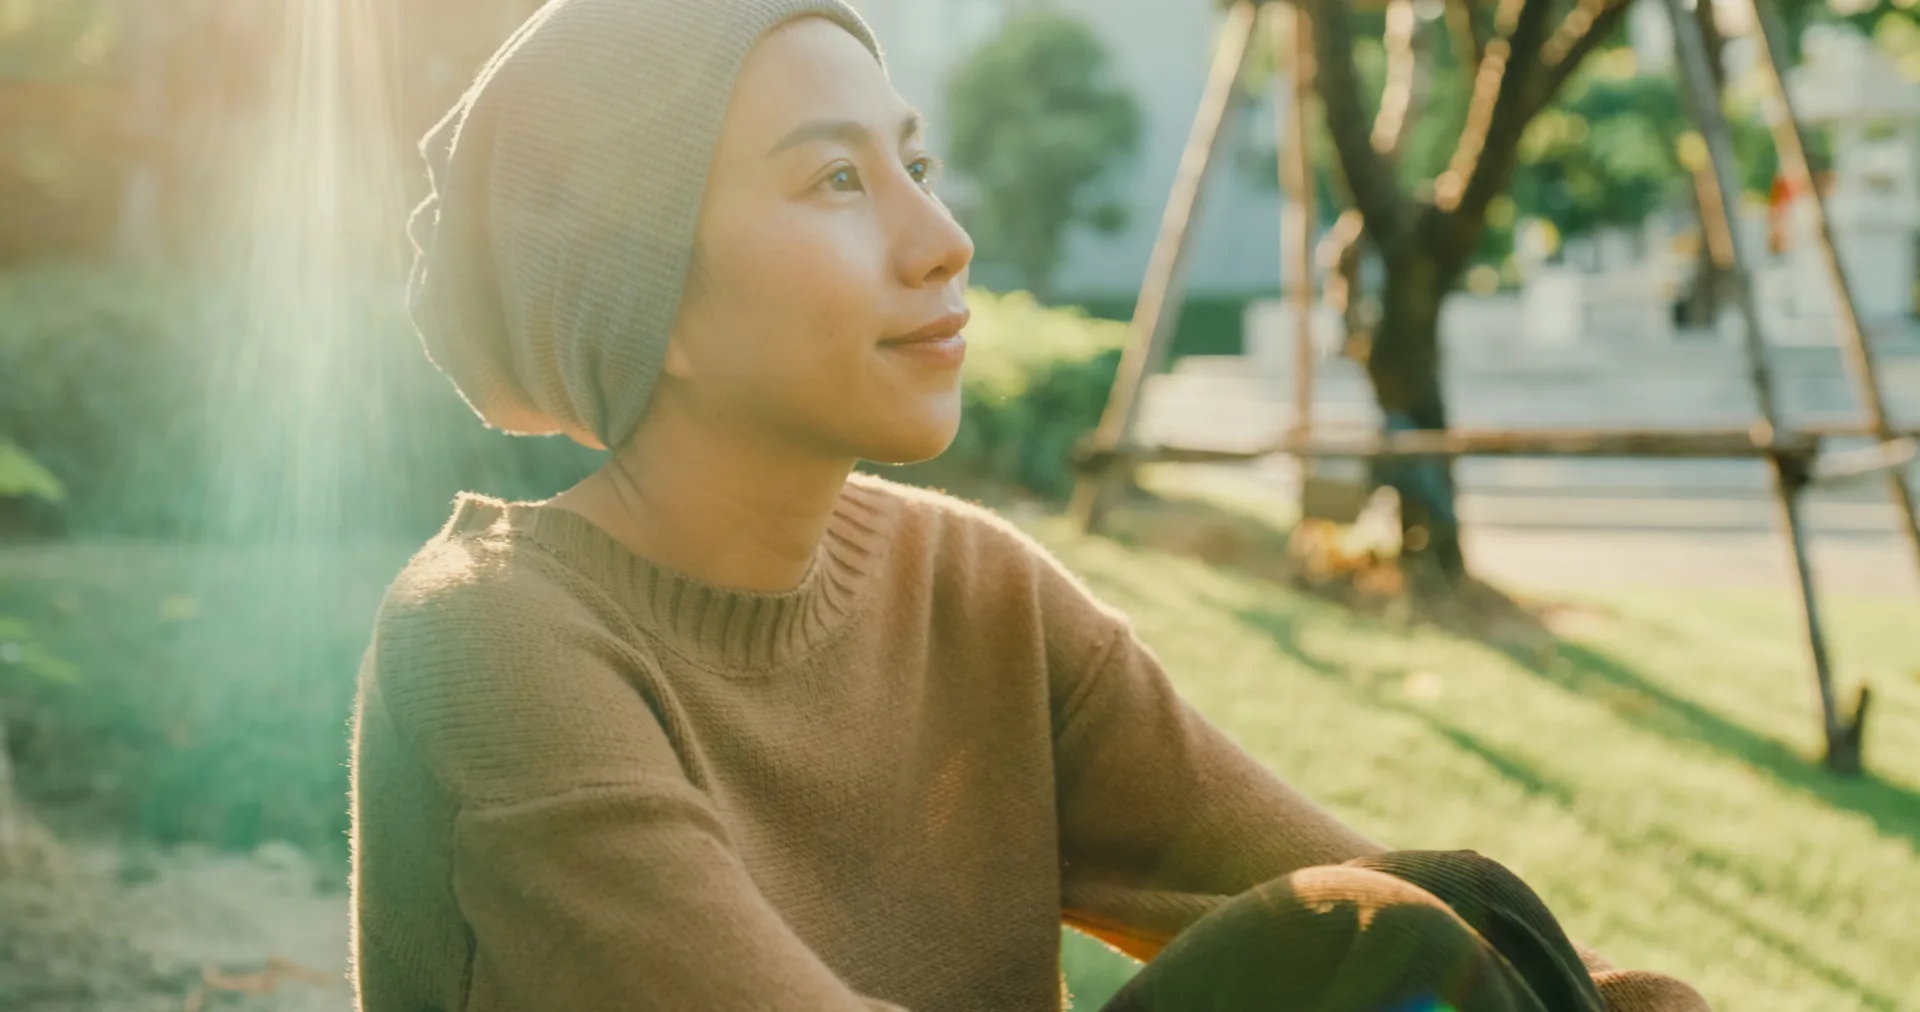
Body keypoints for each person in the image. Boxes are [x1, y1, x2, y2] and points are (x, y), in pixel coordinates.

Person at [348, 2, 1711, 1009]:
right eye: (836, 179)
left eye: (914, 168)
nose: (943, 241)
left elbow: (1398, 902)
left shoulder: (972, 594)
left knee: (1450, 909)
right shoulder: (494, 642)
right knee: (1374, 945)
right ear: (654, 304)